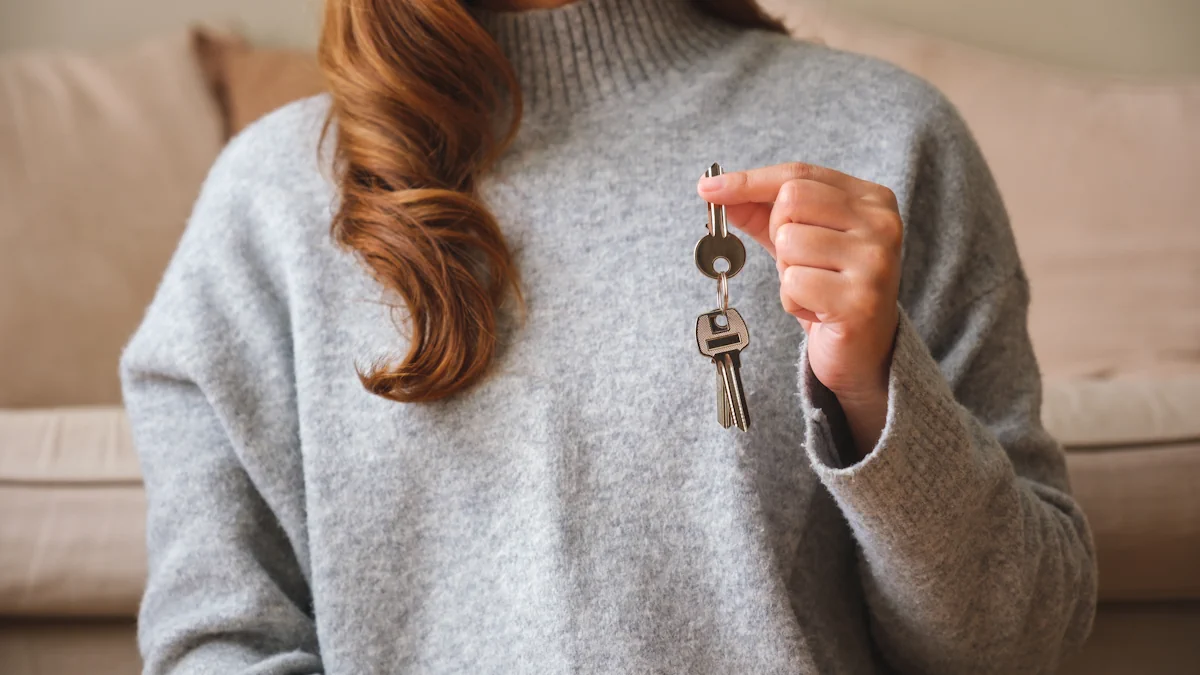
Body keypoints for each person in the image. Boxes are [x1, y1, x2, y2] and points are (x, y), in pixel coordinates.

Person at [119, 0, 1098, 673]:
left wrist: (879, 396)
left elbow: (1020, 646)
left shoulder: (888, 138)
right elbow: (223, 638)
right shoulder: (268, 203)